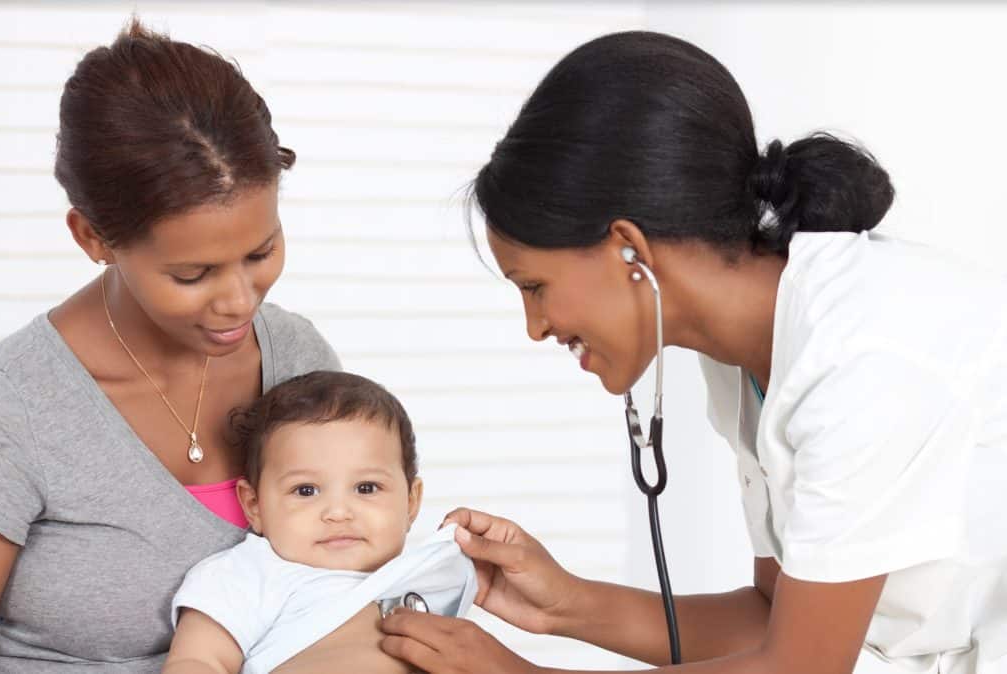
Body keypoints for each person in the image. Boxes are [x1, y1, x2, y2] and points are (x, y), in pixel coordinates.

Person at [378, 30, 1007, 674]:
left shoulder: (862, 353)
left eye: (535, 287)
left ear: (630, 250)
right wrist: (565, 604)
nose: (535, 326)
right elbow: (771, 617)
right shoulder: (746, 353)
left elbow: (804, 665)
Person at [0, 20, 341, 672]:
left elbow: (351, 579)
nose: (238, 300)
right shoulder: (9, 406)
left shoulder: (295, 360)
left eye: (261, 252)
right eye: (192, 275)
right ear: (91, 238)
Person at [162, 370, 475, 674]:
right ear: (254, 505)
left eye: (366, 488)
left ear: (410, 502)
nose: (338, 513)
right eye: (306, 490)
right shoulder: (249, 574)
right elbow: (200, 661)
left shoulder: (423, 576)